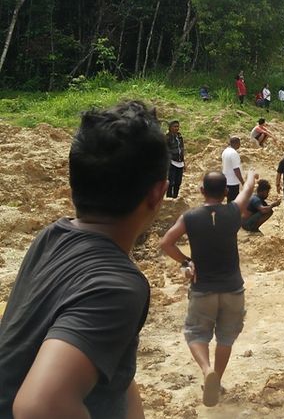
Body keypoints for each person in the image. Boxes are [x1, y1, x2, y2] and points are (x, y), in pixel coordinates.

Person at [0, 100, 168, 418]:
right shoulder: (117, 287)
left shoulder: (52, 238)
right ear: (158, 193)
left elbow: (110, 358)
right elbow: (40, 406)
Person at [160, 170, 256, 407]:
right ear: (225, 192)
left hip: (203, 288)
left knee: (195, 332)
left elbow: (166, 243)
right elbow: (247, 190)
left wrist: (186, 261)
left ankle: (206, 370)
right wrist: (251, 175)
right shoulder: (233, 212)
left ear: (202, 191)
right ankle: (217, 380)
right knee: (226, 336)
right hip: (233, 288)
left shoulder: (190, 217)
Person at [221, 136, 245, 202]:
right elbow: (236, 169)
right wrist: (242, 182)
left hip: (227, 180)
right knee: (233, 202)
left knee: (229, 200)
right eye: (239, 143)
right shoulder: (234, 153)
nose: (240, 145)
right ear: (236, 143)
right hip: (233, 182)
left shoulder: (225, 151)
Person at [166, 119, 186, 198]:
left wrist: (184, 162)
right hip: (172, 162)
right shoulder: (167, 138)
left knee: (178, 182)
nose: (177, 128)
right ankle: (169, 198)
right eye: (175, 126)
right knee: (171, 182)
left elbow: (182, 150)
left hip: (180, 163)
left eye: (178, 126)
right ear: (170, 127)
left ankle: (175, 197)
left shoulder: (180, 137)